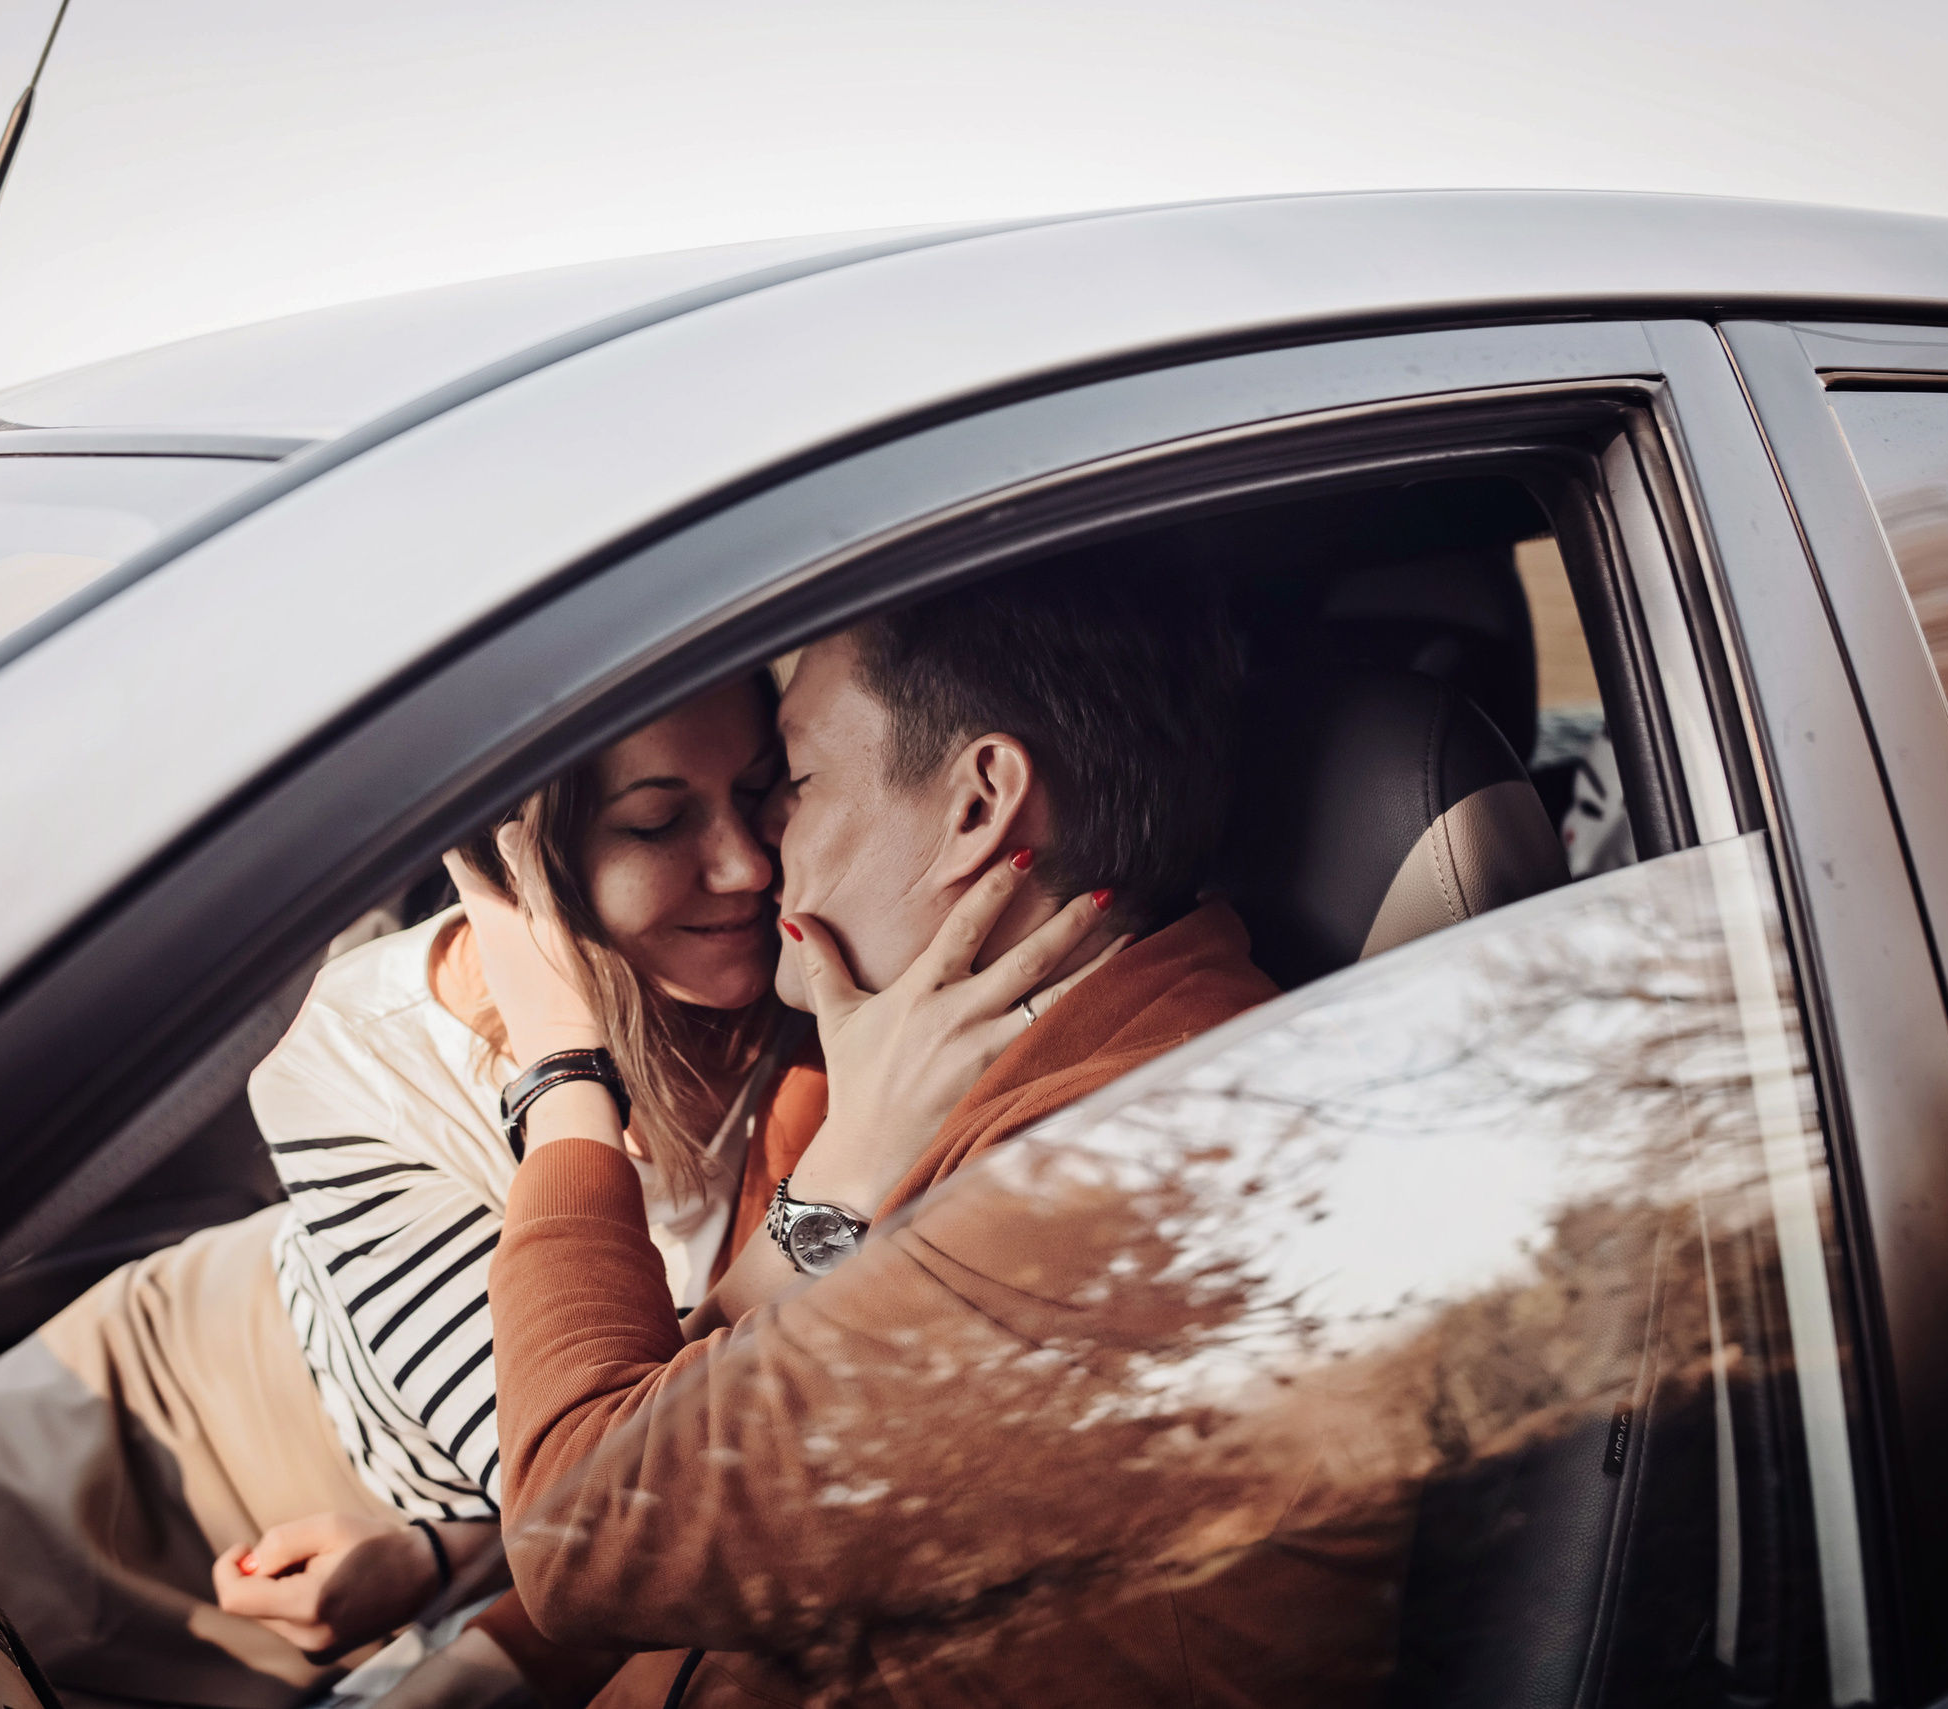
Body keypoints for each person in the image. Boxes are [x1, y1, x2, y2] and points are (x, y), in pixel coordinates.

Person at [428, 554, 1407, 1707]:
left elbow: (587, 1538)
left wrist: (562, 1068)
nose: (759, 848)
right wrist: (479, 1671)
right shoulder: (973, 1075)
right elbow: (705, 1437)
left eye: (791, 778)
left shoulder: (1122, 1179)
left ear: (978, 805)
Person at [0, 673, 824, 1709]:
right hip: (165, 1406)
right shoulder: (353, 1051)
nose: (744, 863)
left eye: (759, 789)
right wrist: (564, 1065)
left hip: (420, 1552)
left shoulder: (805, 993)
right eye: (655, 821)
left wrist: (435, 1555)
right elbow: (596, 1478)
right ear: (517, 859)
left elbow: (629, 1508)